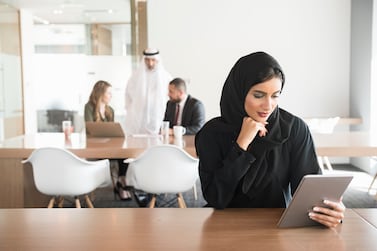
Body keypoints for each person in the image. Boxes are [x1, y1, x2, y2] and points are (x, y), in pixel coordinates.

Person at [195, 51, 345, 228]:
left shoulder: (293, 129)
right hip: (223, 228)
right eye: (258, 95)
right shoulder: (212, 134)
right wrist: (241, 145)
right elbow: (216, 198)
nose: (268, 106)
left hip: (277, 228)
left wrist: (330, 210)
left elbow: (310, 193)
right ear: (239, 91)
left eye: (275, 95)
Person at [84, 80, 131, 201]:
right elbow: (89, 129)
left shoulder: (110, 110)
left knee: (124, 154)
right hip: (94, 147)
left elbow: (111, 131)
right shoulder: (89, 107)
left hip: (109, 146)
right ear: (100, 93)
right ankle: (121, 185)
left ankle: (122, 180)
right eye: (109, 93)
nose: (111, 96)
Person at [124, 48, 172, 135]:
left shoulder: (166, 77)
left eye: (153, 60)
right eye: (147, 60)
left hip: (158, 118)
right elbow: (128, 97)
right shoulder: (135, 77)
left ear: (157, 60)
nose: (150, 63)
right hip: (138, 120)